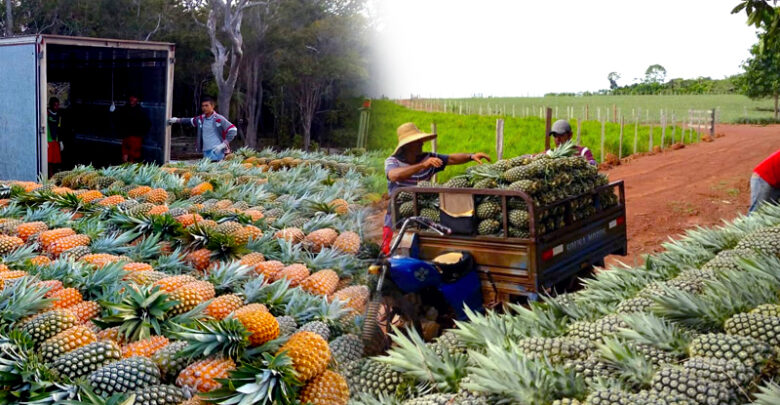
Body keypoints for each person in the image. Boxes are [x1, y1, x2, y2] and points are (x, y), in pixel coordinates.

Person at [381, 122, 491, 254]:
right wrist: (422, 166)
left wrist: (471, 156)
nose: (422, 143)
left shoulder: (428, 158)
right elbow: (394, 175)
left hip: (423, 212)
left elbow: (450, 159)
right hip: (397, 216)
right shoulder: (392, 161)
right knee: (391, 255)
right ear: (407, 145)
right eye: (418, 141)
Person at [168, 96, 237, 161]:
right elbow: (190, 120)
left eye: (206, 105)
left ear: (212, 106)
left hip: (217, 151)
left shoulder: (219, 119)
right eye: (203, 106)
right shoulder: (201, 119)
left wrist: (223, 145)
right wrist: (176, 120)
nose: (204, 108)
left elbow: (233, 130)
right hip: (206, 151)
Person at [118, 94, 151, 163]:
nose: (132, 99)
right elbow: (119, 121)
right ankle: (125, 170)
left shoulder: (140, 111)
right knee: (125, 155)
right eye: (131, 97)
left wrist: (141, 133)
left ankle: (131, 169)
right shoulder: (124, 109)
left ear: (137, 100)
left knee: (133, 157)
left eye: (134, 98)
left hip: (136, 137)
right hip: (126, 136)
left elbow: (147, 123)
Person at [46, 97, 64, 176]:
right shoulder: (46, 114)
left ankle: (55, 175)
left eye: (58, 105)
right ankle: (50, 175)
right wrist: (44, 141)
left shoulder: (59, 115)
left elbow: (59, 128)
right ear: (51, 105)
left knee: (55, 160)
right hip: (48, 141)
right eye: (55, 105)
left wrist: (60, 141)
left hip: (55, 141)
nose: (57, 107)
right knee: (48, 161)